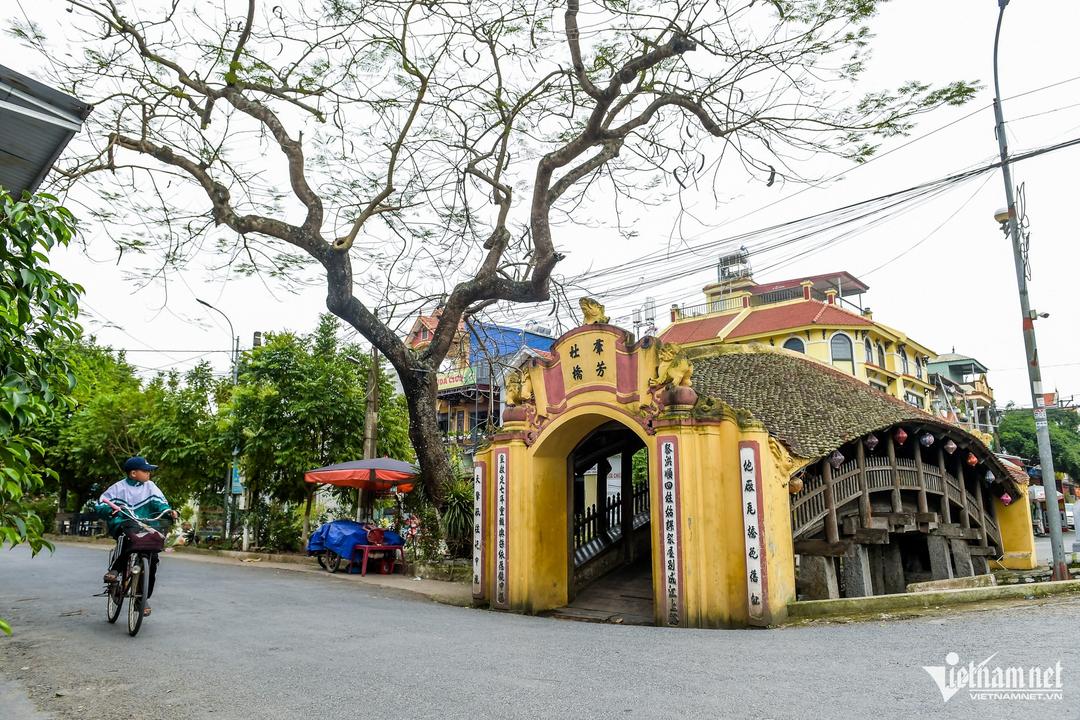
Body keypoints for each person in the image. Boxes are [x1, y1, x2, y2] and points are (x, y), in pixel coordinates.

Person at [96, 456, 178, 615]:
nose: (149, 473)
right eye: (146, 470)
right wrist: (110, 510)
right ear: (133, 473)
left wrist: (170, 512)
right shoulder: (118, 488)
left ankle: (141, 599)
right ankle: (115, 570)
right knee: (125, 538)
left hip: (147, 526)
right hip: (124, 524)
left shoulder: (150, 487)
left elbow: (160, 504)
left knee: (152, 558)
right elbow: (101, 503)